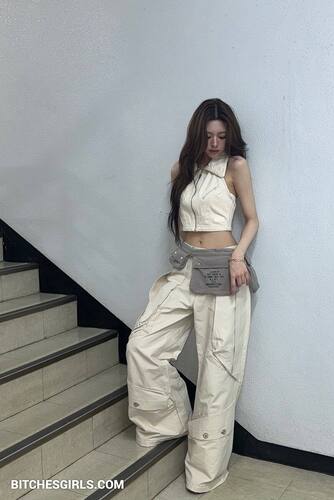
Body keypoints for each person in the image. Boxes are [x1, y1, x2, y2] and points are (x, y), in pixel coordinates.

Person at [126, 98, 259, 493]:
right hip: (186, 268)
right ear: (196, 135)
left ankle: (206, 468)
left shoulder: (236, 167)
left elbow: (253, 219)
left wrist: (238, 257)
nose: (215, 143)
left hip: (222, 268)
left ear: (230, 137)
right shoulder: (181, 170)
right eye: (208, 136)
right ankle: (167, 423)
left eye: (222, 136)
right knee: (143, 345)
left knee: (216, 366)